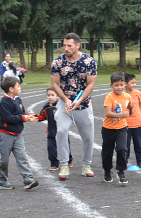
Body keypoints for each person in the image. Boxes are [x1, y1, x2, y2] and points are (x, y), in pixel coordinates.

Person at [50, 33, 98, 180]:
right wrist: (65, 99)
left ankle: (86, 165)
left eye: (69, 45)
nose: (66, 48)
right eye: (64, 45)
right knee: (62, 131)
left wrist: (80, 100)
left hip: (83, 105)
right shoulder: (57, 62)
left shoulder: (89, 61)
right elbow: (55, 84)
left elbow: (91, 84)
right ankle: (64, 165)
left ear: (78, 45)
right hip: (65, 104)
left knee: (88, 137)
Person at [0, 75, 39, 191]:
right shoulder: (3, 103)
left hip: (18, 135)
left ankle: (28, 179)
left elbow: (21, 113)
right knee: (4, 159)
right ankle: (2, 181)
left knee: (22, 157)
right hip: (5, 135)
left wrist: (28, 116)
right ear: (11, 89)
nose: (20, 88)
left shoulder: (18, 100)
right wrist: (24, 118)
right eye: (18, 86)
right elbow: (9, 118)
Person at [101, 72, 132, 185]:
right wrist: (122, 115)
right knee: (107, 152)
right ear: (111, 86)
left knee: (122, 149)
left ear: (124, 84)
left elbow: (130, 106)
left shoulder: (127, 96)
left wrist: (130, 112)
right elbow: (108, 113)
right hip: (108, 128)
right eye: (116, 85)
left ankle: (121, 171)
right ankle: (107, 170)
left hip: (122, 128)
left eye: (121, 85)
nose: (119, 87)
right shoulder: (109, 97)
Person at [35, 88, 72, 171]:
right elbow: (42, 117)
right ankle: (54, 163)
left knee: (65, 146)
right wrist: (34, 116)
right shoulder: (46, 107)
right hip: (51, 132)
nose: (50, 97)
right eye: (48, 95)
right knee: (50, 148)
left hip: (61, 131)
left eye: (52, 95)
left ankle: (69, 159)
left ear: (58, 96)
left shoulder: (61, 106)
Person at [124, 73, 141, 169]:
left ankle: (140, 161)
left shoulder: (138, 93)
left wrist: (140, 115)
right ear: (125, 84)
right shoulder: (123, 95)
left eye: (135, 83)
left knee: (138, 144)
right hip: (126, 124)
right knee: (126, 145)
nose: (134, 85)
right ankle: (124, 161)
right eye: (132, 83)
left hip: (137, 123)